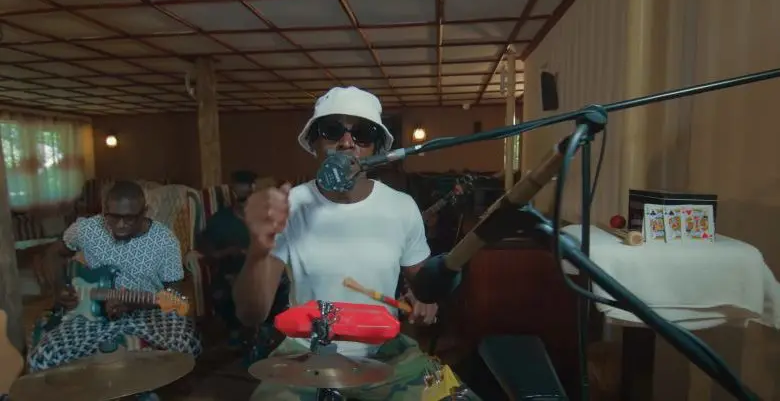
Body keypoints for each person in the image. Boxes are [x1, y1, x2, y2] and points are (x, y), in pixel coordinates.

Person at [234, 86, 480, 400]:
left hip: (386, 353)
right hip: (304, 353)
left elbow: (423, 285)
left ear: (376, 148)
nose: (347, 142)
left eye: (362, 134)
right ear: (315, 142)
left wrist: (425, 299)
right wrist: (257, 250)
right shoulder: (288, 207)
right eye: (332, 130)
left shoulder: (401, 207)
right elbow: (250, 314)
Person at [28, 181, 202, 400]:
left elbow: (175, 298)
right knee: (42, 357)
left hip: (146, 312)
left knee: (188, 344)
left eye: (129, 218)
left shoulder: (165, 241)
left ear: (144, 212)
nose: (120, 225)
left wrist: (134, 303)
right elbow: (53, 253)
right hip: (92, 314)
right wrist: (58, 288)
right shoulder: (87, 229)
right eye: (113, 217)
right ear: (104, 212)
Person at [198, 170, 289, 346]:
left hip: (265, 273)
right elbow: (206, 251)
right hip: (230, 274)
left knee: (281, 281)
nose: (248, 191)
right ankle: (240, 335)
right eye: (242, 186)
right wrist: (229, 252)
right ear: (233, 190)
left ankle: (270, 332)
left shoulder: (270, 220)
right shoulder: (220, 220)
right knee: (225, 291)